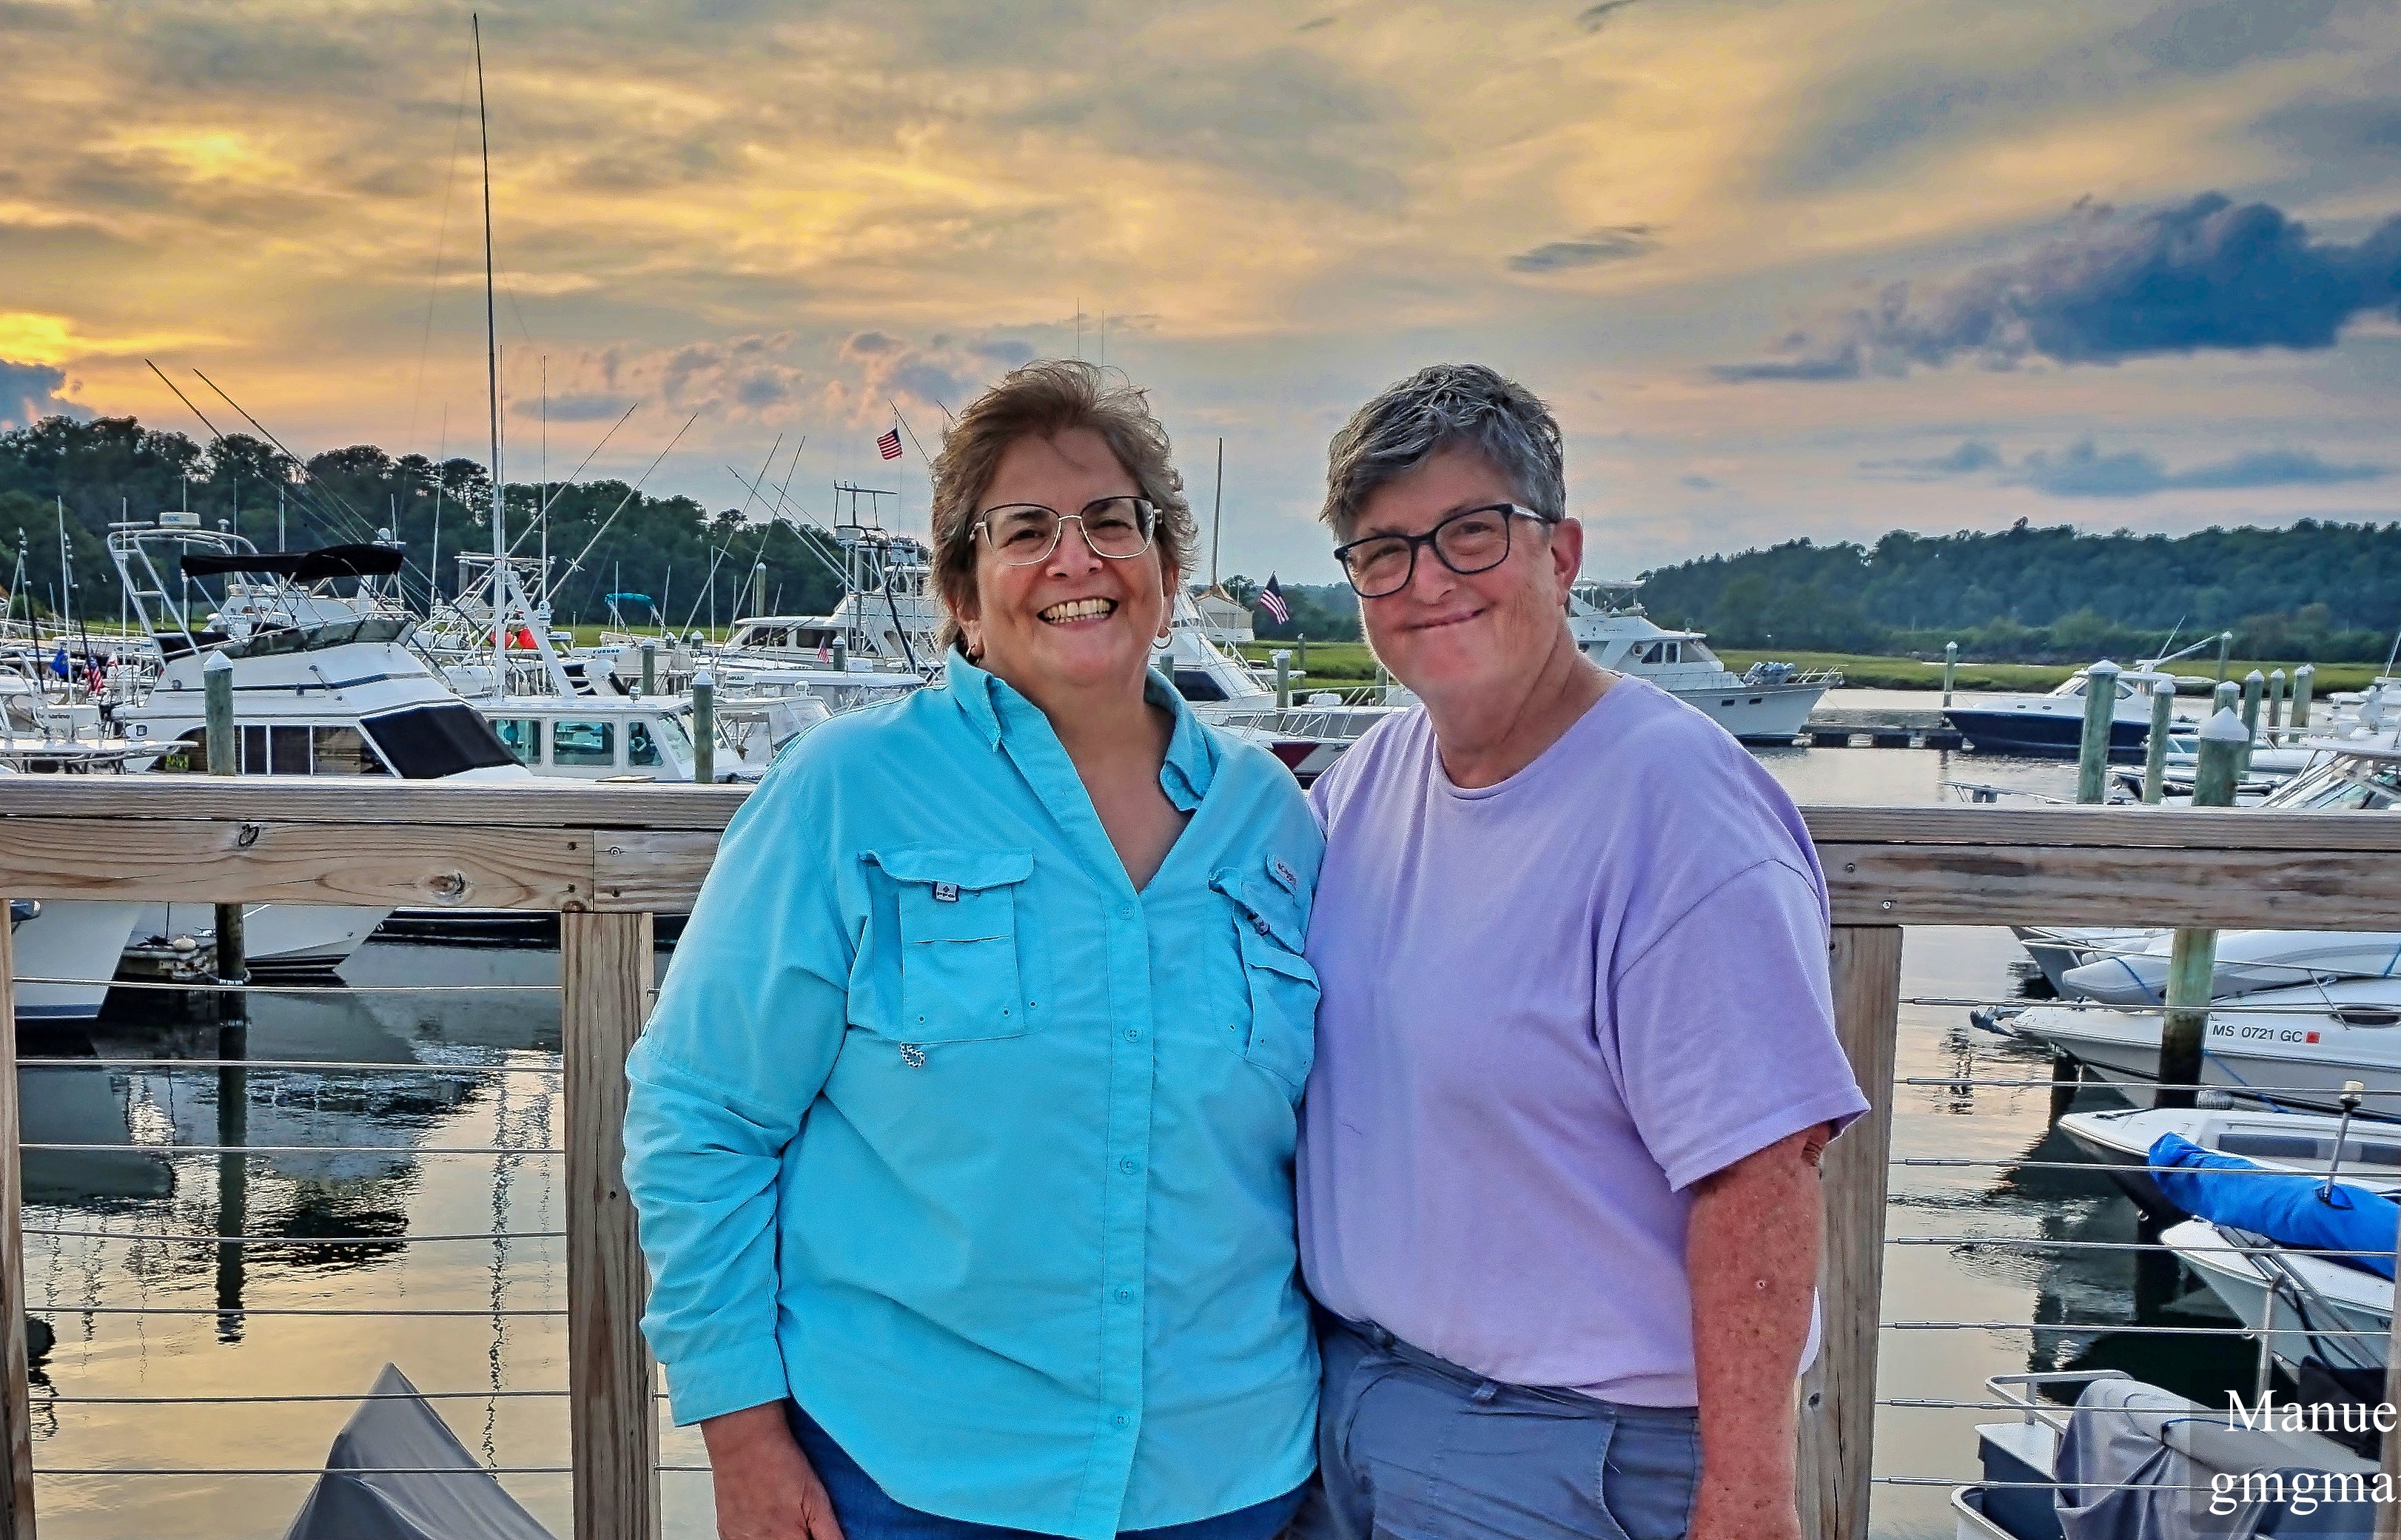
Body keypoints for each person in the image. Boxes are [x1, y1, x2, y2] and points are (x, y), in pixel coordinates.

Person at [625, 360, 1323, 1540]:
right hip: (912, 1479)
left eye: (1113, 521)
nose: (1076, 559)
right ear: (961, 588)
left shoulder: (1272, 821)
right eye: (1026, 530)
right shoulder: (847, 790)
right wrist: (742, 1434)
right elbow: (701, 1118)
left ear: (1165, 570)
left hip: (1228, 1479)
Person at [1294, 363, 1870, 1540]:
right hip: (1350, 1413)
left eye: (1470, 534)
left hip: (1571, 1460)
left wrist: (1747, 1499)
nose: (1428, 581)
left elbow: (1761, 1174)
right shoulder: (1367, 783)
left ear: (1560, 555)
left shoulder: (1677, 807)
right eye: (1385, 551)